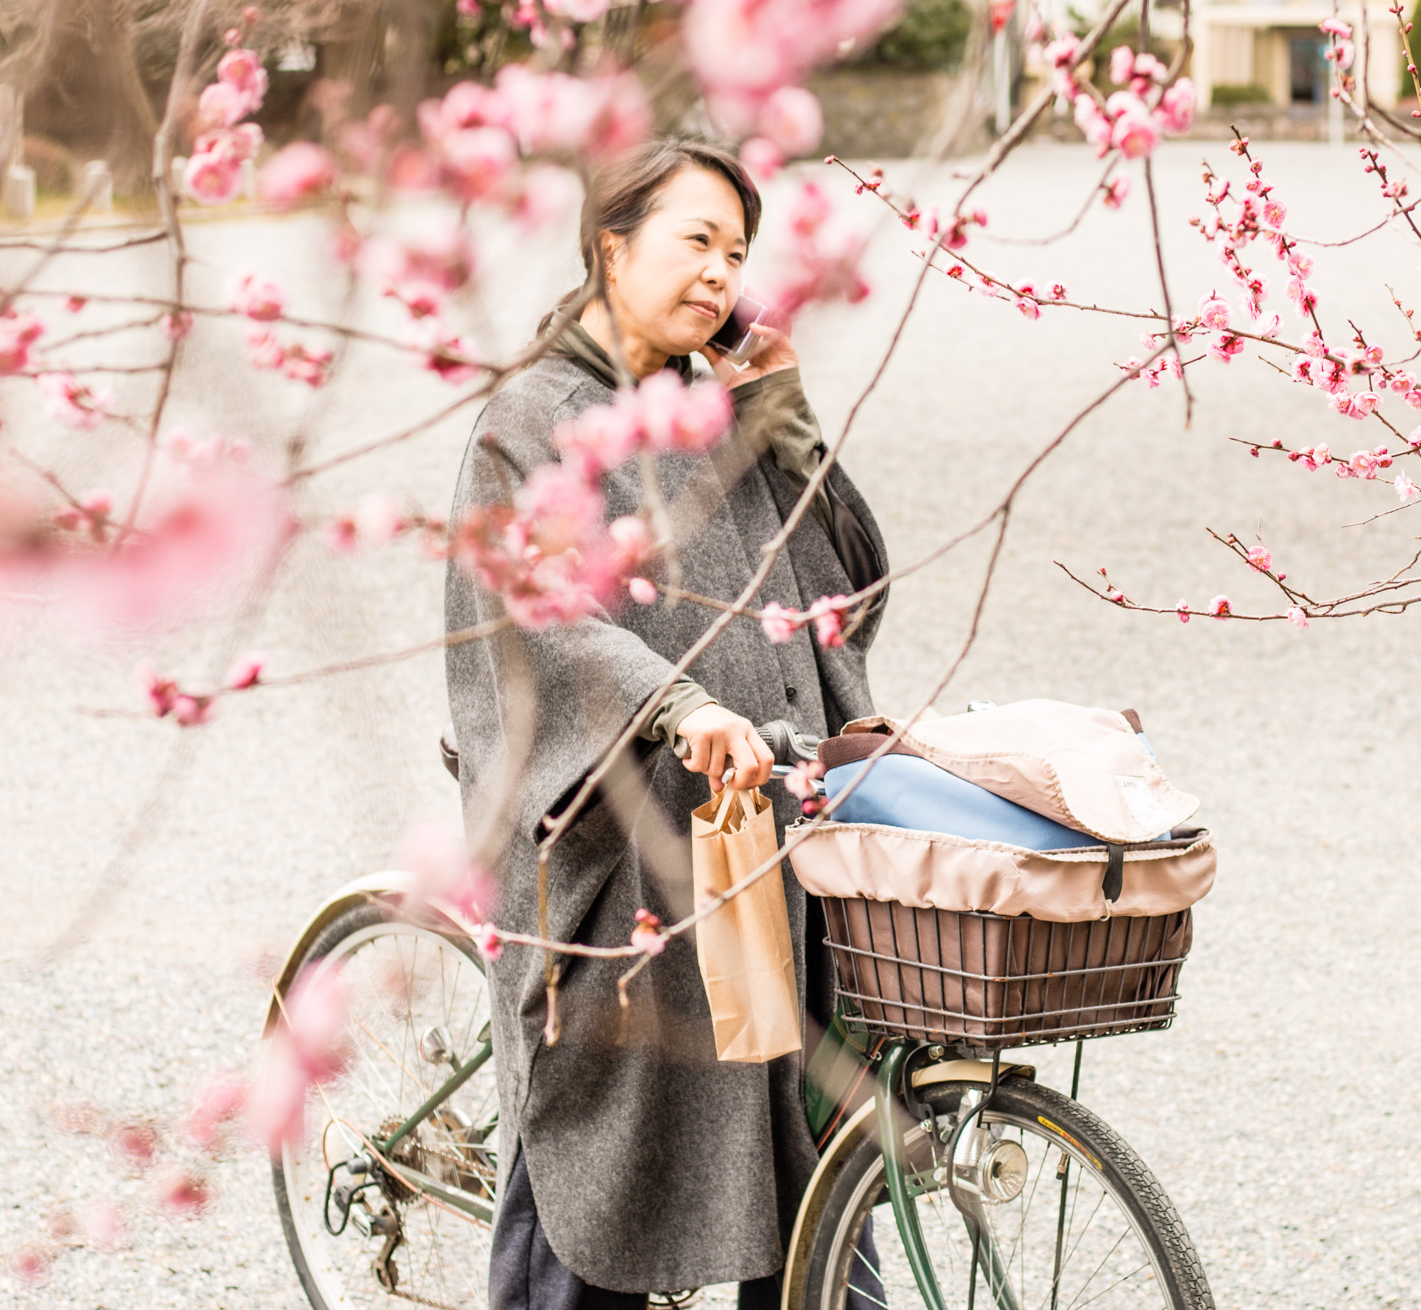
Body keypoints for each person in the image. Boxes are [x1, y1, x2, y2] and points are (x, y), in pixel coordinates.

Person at [443, 138, 888, 1309]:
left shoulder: (713, 404)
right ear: (611, 244)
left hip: (761, 844)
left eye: (737, 251)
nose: (720, 273)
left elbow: (849, 595)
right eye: (694, 239)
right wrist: (676, 702)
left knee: (809, 1165)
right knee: (601, 1182)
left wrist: (781, 422)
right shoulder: (531, 416)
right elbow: (535, 613)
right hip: (617, 857)